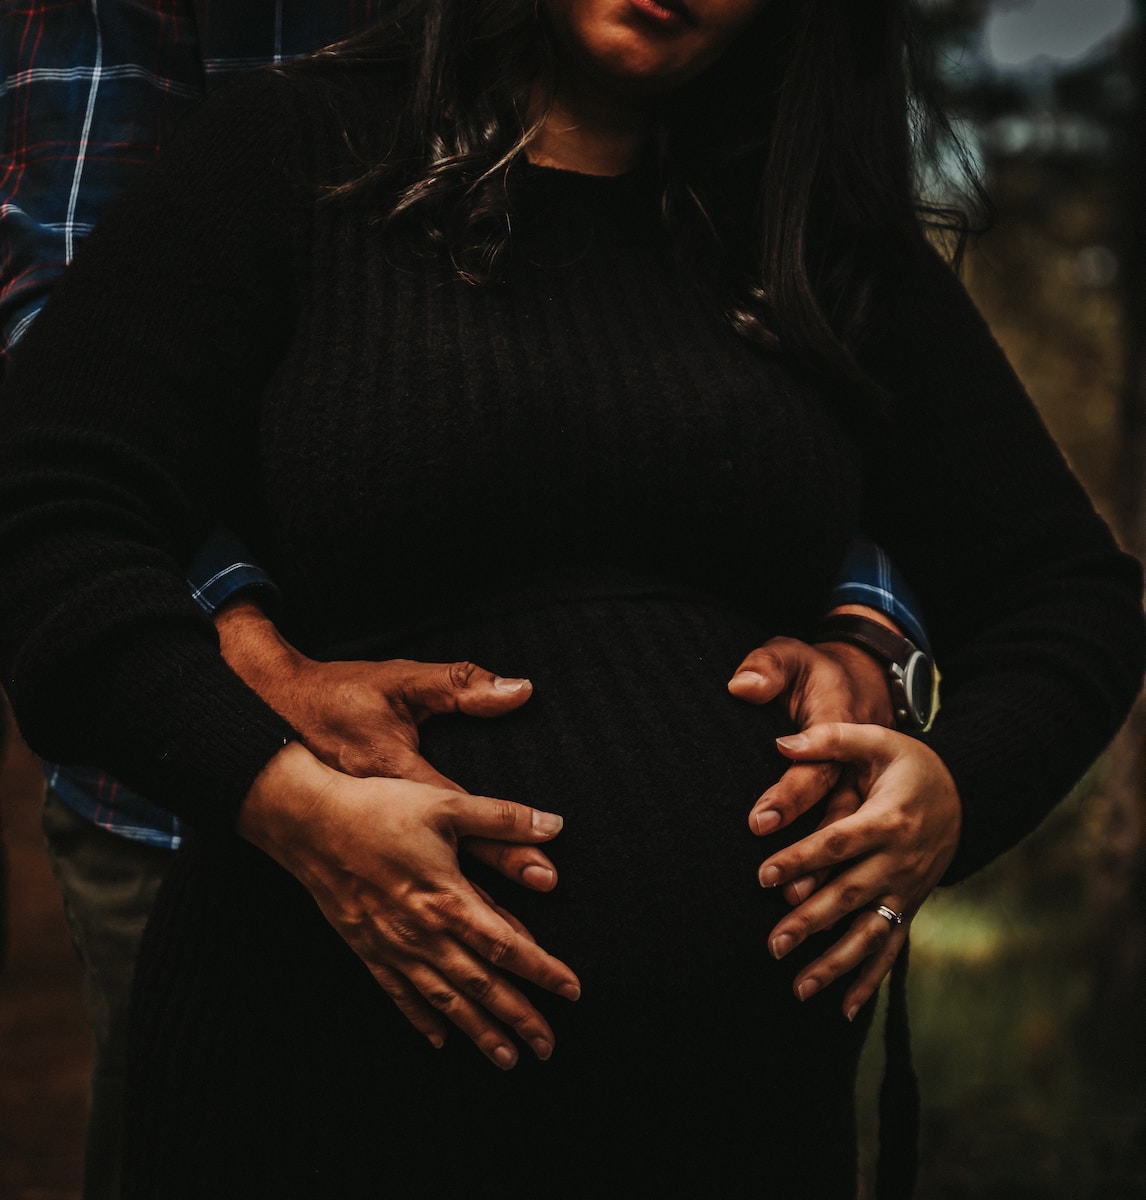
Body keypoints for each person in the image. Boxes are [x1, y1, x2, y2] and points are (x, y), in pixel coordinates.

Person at [0, 0, 1141, 1196]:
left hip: (737, 1129)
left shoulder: (811, 238)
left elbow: (1067, 594)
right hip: (318, 1093)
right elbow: (51, 516)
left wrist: (957, 790)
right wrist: (281, 798)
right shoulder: (291, 158)